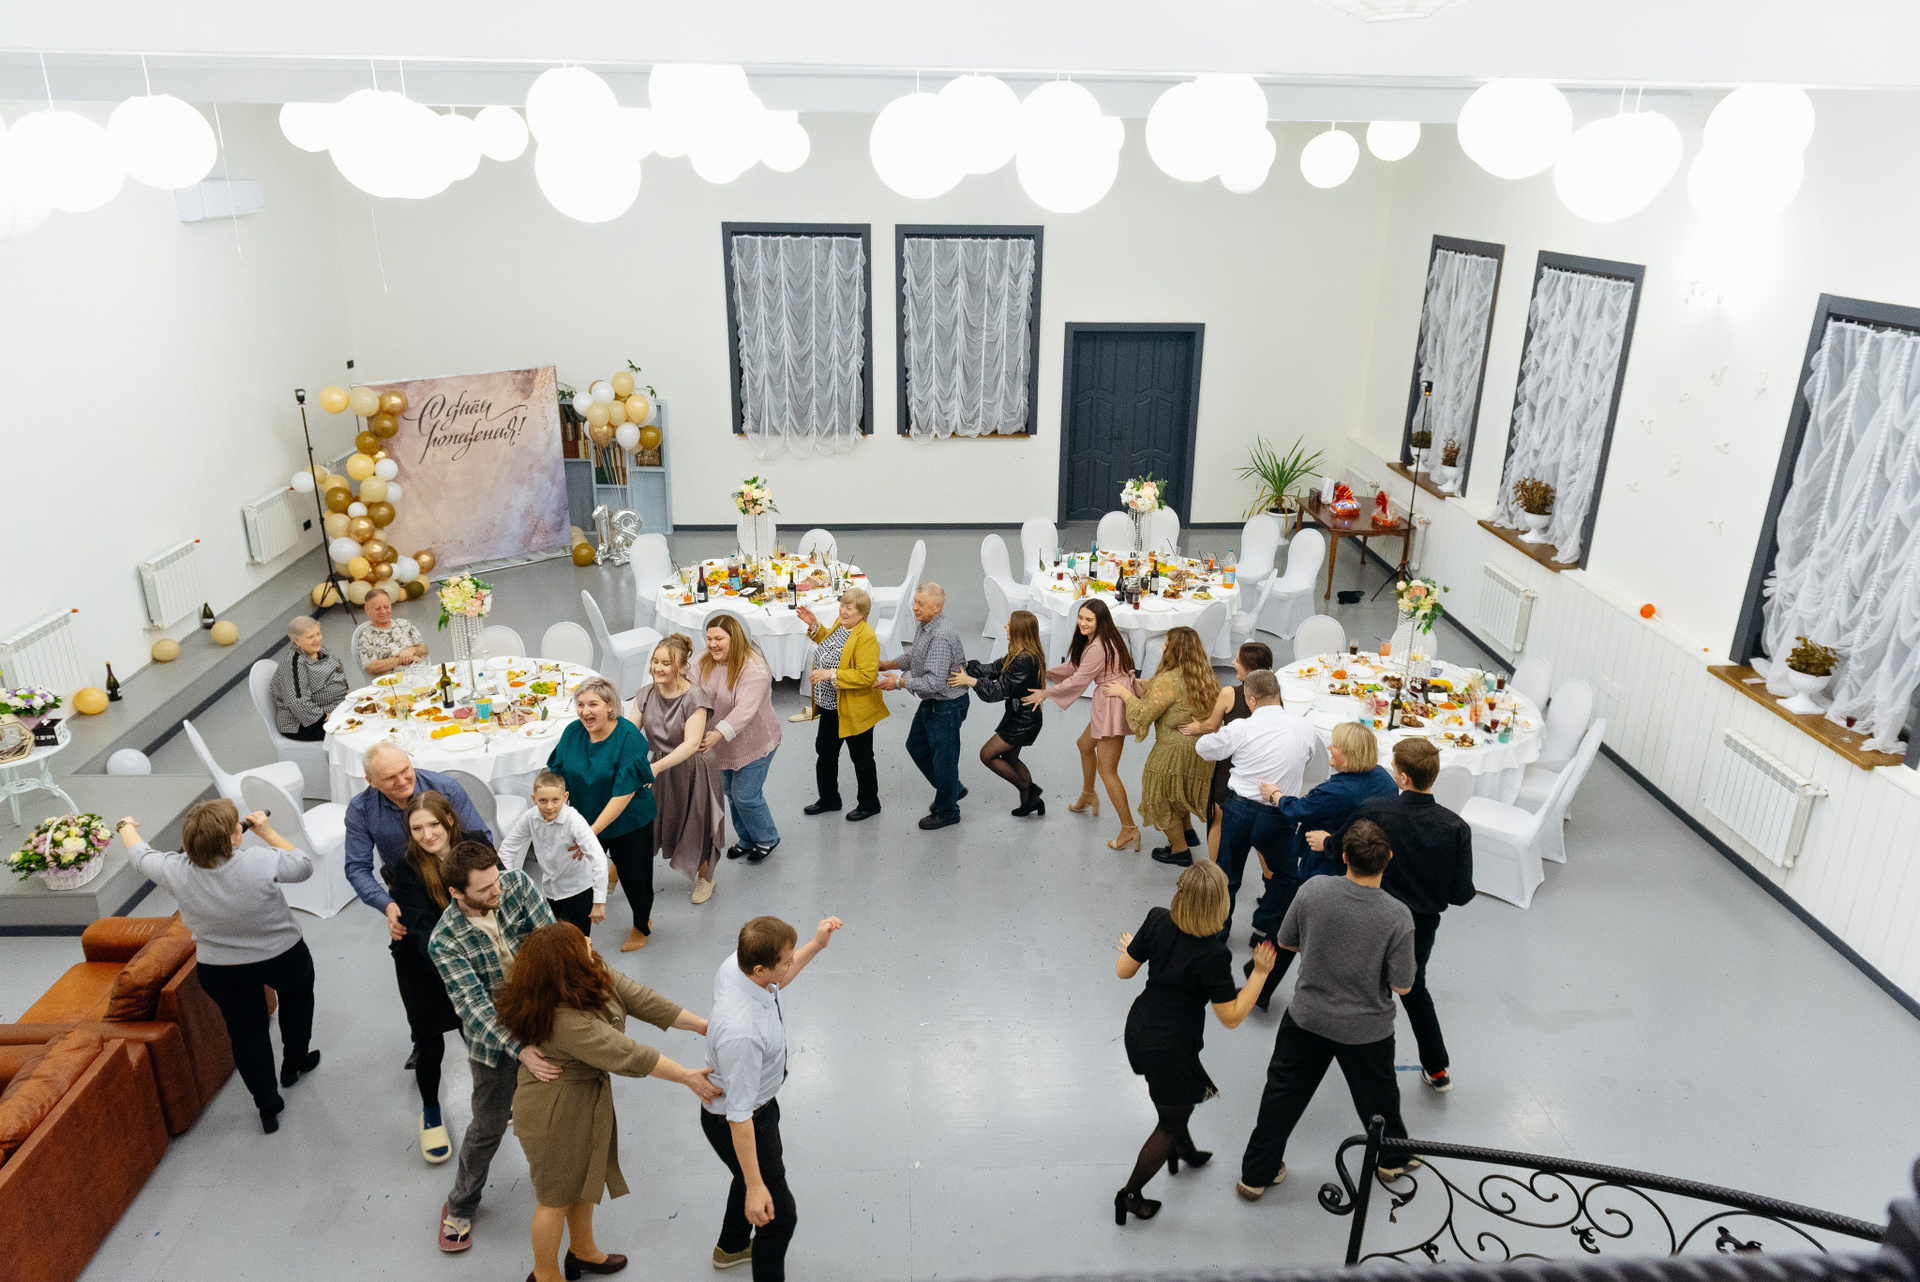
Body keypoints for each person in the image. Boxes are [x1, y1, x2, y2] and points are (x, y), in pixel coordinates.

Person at [495, 923, 721, 1282]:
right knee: (555, 1199)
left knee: (584, 1181)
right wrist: (686, 1077)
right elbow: (628, 1053)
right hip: (554, 1112)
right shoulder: (564, 1020)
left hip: (584, 1101)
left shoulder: (589, 970)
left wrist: (701, 1025)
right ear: (566, 963)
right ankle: (545, 1274)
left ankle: (582, 1251)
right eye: (580, 941)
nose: (589, 939)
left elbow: (641, 998)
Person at [1235, 820, 1415, 1202]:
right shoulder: (1398, 916)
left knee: (1281, 1097)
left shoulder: (1313, 889)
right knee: (1379, 1097)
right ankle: (1392, 1159)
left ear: (1344, 856)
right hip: (1367, 1030)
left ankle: (1256, 1174)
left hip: (1307, 1017)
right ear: (1389, 858)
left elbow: (1286, 941)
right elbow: (1403, 986)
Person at [117, 801, 318, 1134]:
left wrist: (125, 825)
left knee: (247, 1033)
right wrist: (266, 832)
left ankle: (268, 1107)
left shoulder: (174, 869)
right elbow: (303, 866)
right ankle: (294, 1063)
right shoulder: (261, 860)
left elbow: (139, 855)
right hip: (282, 955)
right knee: (297, 1001)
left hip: (222, 969)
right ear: (234, 837)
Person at [1113, 862, 1276, 1225]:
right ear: (1220, 906)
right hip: (1170, 1046)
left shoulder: (1157, 919)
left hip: (1139, 1028)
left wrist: (1135, 947)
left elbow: (1124, 969)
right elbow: (1231, 1016)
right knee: (1171, 1118)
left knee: (1176, 1102)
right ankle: (1130, 1195)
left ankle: (1183, 1151)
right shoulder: (1212, 954)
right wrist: (1261, 974)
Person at [1314, 737, 1474, 1094]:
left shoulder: (1376, 810)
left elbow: (1344, 847)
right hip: (1420, 926)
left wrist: (1325, 842)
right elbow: (1462, 894)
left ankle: (1340, 1054)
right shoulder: (1456, 827)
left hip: (1370, 914)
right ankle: (1437, 1068)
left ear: (1402, 777)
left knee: (1356, 984)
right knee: (1414, 989)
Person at [428, 840, 561, 1254]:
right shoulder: (444, 941)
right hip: (495, 1037)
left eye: (496, 881)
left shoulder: (516, 884)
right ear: (456, 893)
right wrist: (520, 1049)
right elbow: (474, 1007)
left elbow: (551, 942)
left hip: (544, 1016)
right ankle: (461, 1204)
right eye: (485, 890)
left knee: (561, 1106)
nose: (496, 892)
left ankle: (565, 1180)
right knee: (488, 1126)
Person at [702, 914, 843, 1279]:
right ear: (760, 968)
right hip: (743, 1120)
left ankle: (731, 1246)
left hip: (759, 1107)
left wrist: (817, 945)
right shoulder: (743, 1034)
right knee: (779, 1217)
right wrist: (755, 1186)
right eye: (787, 960)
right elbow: (738, 1116)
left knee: (749, 1174)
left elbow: (780, 980)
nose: (791, 963)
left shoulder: (739, 967)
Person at [1242, 721, 1398, 1009]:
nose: (1329, 747)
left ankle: (1260, 983)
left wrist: (1275, 795)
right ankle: (1258, 976)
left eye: (1335, 745)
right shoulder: (1384, 781)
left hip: (1320, 870)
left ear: (1349, 755)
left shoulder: (1338, 791)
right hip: (1355, 870)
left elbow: (1298, 810)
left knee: (1288, 927)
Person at [1193, 670, 1320, 948]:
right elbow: (1308, 761)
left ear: (1251, 700)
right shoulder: (1304, 728)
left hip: (1238, 812)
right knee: (1287, 876)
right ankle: (1264, 927)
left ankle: (1219, 934)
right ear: (1278, 695)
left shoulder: (1241, 728)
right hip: (1279, 815)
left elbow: (1203, 748)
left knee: (1227, 876)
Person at [391, 791, 475, 1163]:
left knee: (476, 1031)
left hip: (471, 957)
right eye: (417, 829)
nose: (427, 835)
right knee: (429, 1046)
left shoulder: (475, 847)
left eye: (433, 825)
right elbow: (423, 930)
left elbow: (498, 893)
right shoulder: (407, 866)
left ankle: (491, 1095)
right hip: (423, 968)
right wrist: (455, 971)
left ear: (449, 821)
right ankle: (430, 1111)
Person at [547, 676, 654, 953]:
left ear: (610, 706)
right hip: (585, 818)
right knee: (579, 880)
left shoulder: (628, 738)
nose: (585, 711)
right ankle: (577, 939)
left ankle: (642, 924)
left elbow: (623, 795)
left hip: (628, 823)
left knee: (636, 879)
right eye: (580, 704)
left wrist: (589, 835)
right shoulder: (573, 733)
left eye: (593, 704)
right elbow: (558, 775)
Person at [344, 742, 493, 931]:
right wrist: (387, 905)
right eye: (390, 777)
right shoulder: (361, 809)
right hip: (407, 889)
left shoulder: (446, 788)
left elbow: (480, 841)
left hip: (460, 878)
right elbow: (357, 867)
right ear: (371, 781)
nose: (401, 781)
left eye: (405, 770)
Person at [1031, 598, 1139, 849]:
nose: (1082, 623)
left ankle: (1129, 828)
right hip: (1111, 699)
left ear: (1100, 622)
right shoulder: (1101, 640)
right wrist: (1047, 673)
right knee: (1084, 744)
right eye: (1080, 617)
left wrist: (1045, 693)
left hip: (1112, 702)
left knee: (1108, 771)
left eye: (1089, 619)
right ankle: (1089, 794)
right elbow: (1076, 666)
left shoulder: (1099, 646)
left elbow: (1079, 679)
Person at [1110, 626, 1218, 866]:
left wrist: (1124, 694)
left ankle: (1180, 850)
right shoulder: (1204, 675)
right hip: (1201, 751)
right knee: (1179, 793)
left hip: (1174, 751)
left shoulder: (1167, 680)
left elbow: (1144, 714)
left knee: (1159, 796)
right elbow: (1172, 693)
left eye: (1166, 643)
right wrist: (1144, 684)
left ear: (1174, 650)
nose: (1162, 646)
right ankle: (1187, 831)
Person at [633, 635, 726, 905]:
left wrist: (654, 768)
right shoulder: (645, 694)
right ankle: (613, 876)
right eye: (655, 661)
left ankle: (706, 877)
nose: (657, 668)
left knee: (696, 824)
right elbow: (629, 733)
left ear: (683, 667)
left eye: (666, 663)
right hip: (659, 768)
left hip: (693, 769)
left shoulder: (694, 697)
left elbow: (692, 743)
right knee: (642, 824)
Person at [876, 583, 969, 831]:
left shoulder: (940, 636)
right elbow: (915, 656)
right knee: (916, 746)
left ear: (937, 607)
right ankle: (952, 789)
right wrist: (887, 664)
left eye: (921, 604)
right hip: (934, 701)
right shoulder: (927, 625)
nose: (914, 608)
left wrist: (899, 682)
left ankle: (948, 810)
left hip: (946, 704)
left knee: (944, 760)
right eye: (915, 602)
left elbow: (933, 682)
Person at [696, 615, 783, 863]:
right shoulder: (704, 660)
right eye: (709, 638)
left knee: (746, 795)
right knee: (731, 793)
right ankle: (746, 839)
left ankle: (767, 838)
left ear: (735, 639)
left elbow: (744, 710)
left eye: (719, 638)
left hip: (754, 742)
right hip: (721, 744)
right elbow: (689, 687)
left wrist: (716, 734)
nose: (712, 644)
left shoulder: (754, 669)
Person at [796, 588, 886, 822]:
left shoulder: (866, 637)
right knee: (825, 753)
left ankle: (869, 804)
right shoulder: (841, 624)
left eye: (849, 608)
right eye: (842, 605)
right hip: (830, 707)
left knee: (861, 758)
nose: (843, 611)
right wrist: (814, 624)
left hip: (854, 710)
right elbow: (831, 645)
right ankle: (829, 799)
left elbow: (866, 676)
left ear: (862, 613)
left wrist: (830, 674)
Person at [1179, 642, 1274, 862]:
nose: (1233, 663)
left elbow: (1212, 726)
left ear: (1249, 669)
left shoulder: (1230, 693)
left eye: (1238, 661)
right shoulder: (1275, 694)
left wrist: (1197, 727)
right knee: (1262, 828)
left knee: (1219, 819)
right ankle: (1271, 879)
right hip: (1263, 763)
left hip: (1231, 765)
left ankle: (1214, 872)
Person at [949, 610, 1046, 816]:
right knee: (1010, 758)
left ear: (1019, 630)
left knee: (987, 755)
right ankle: (1031, 801)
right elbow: (994, 669)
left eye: (1009, 624)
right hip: (1021, 716)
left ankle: (1029, 791)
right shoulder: (1020, 653)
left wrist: (970, 681)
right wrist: (967, 666)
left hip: (1023, 721)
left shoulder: (1024, 659)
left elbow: (997, 691)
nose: (1005, 626)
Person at [499, 772, 608, 935]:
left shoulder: (574, 820)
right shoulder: (530, 817)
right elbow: (508, 848)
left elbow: (598, 857)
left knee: (575, 940)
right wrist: (504, 883)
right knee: (554, 937)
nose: (549, 806)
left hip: (578, 890)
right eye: (543, 800)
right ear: (533, 798)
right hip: (550, 889)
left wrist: (599, 901)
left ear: (565, 797)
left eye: (555, 800)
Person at [270, 616, 350, 740]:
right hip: (304, 723)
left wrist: (347, 692)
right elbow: (297, 701)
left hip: (335, 706)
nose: (317, 639)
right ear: (296, 641)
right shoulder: (294, 663)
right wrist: (324, 717)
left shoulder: (318, 649)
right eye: (310, 637)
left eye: (318, 633)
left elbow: (337, 667)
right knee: (353, 731)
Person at [356, 585, 430, 676]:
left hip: (418, 674)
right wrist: (400, 659)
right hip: (391, 681)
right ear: (367, 610)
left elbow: (424, 650)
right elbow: (370, 667)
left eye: (386, 607)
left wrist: (414, 649)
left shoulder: (404, 624)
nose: (383, 611)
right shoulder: (365, 634)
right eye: (378, 608)